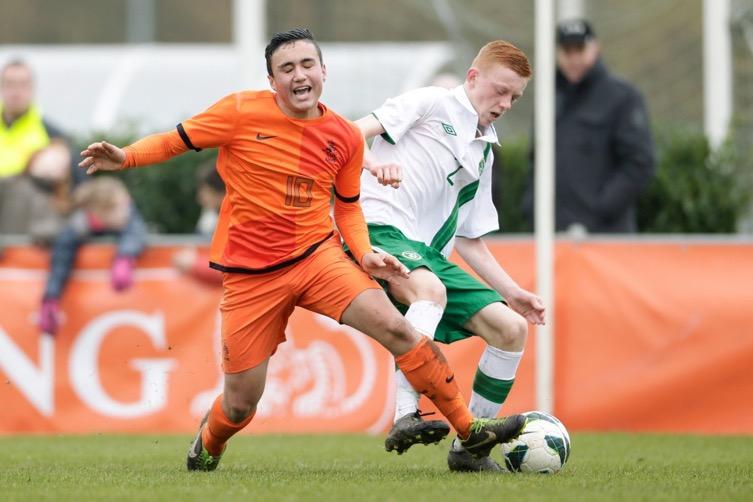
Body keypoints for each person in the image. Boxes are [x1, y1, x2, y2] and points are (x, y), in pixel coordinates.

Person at [78, 28, 527, 473]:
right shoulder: (239, 111)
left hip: (319, 259)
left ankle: (470, 433)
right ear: (272, 80)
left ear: (323, 72)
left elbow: (349, 209)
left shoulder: (344, 137)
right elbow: (175, 140)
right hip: (252, 277)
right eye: (287, 68)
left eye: (307, 65)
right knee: (239, 405)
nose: (299, 75)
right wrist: (127, 157)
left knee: (399, 329)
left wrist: (365, 253)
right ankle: (209, 441)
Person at [355, 40, 545, 472]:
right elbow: (350, 132)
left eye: (515, 97)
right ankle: (404, 414)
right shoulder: (431, 102)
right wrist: (371, 166)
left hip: (426, 253)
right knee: (430, 289)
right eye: (500, 91)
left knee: (511, 329)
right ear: (473, 77)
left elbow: (470, 238)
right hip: (376, 227)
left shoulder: (483, 152)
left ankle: (469, 450)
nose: (506, 103)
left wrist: (512, 291)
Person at [523, 19, 655, 233]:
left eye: (580, 49)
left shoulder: (622, 97)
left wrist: (598, 210)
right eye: (567, 50)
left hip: (604, 240)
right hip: (552, 237)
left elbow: (639, 164)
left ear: (595, 48)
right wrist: (532, 208)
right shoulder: (549, 98)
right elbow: (535, 160)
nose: (574, 58)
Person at [38, 176, 147, 335]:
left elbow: (135, 232)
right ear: (100, 212)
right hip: (84, 304)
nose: (126, 211)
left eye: (127, 204)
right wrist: (51, 297)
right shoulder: (78, 225)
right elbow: (60, 261)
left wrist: (125, 257)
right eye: (119, 207)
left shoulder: (128, 215)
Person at [1, 59, 67, 179]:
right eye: (10, 84)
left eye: (22, 85)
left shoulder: (51, 133)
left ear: (32, 89)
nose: (16, 92)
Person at [172, 161, 225, 285]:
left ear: (220, 192)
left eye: (204, 191)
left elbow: (235, 270)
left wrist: (193, 264)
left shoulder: (239, 222)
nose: (200, 198)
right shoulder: (210, 217)